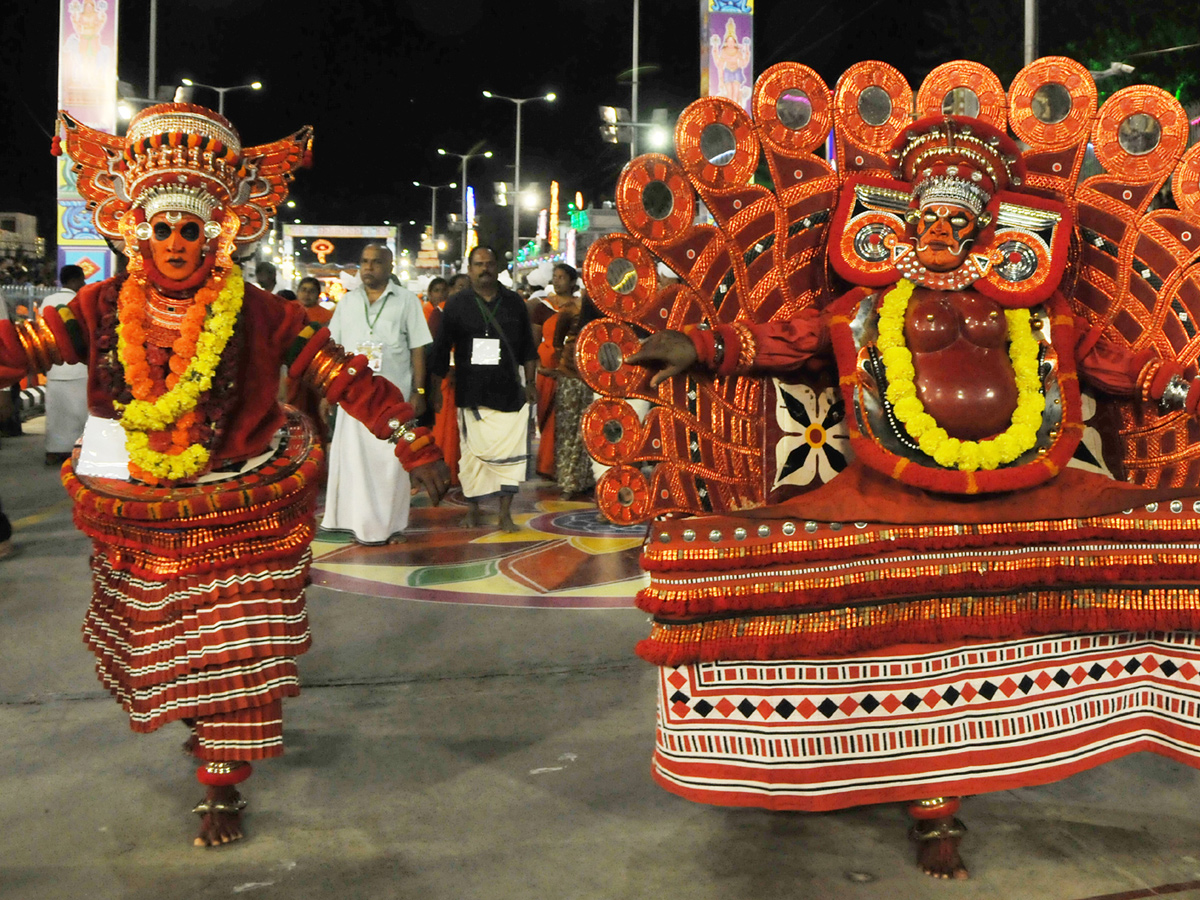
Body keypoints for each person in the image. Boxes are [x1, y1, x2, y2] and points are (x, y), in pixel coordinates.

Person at [599, 70, 1200, 882]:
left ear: (991, 229)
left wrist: (1177, 385)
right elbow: (785, 339)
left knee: (1174, 533)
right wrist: (700, 348)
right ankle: (928, 803)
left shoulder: (1037, 309)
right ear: (897, 224)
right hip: (893, 490)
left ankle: (1132, 715)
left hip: (1028, 484)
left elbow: (1110, 364)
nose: (940, 228)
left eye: (957, 217)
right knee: (721, 558)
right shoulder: (862, 308)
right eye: (926, 216)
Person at [2, 102, 448, 847]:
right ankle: (204, 730)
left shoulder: (263, 311)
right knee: (170, 654)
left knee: (234, 658)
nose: (176, 243)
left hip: (242, 515)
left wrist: (413, 440)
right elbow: (26, 348)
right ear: (138, 229)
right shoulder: (102, 305)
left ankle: (223, 785)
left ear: (218, 233)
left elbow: (340, 375)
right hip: (144, 517)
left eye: (191, 229)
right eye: (163, 227)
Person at [320, 244, 430, 544]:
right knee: (355, 463)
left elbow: (418, 347)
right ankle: (359, 525)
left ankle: (391, 527)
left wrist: (419, 391)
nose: (369, 268)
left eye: (376, 262)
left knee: (391, 467)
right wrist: (327, 393)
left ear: (390, 266)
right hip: (353, 397)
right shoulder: (346, 303)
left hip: (393, 399)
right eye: (365, 262)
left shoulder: (407, 301)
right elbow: (333, 351)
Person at [429, 246, 536, 531]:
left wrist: (532, 382)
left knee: (509, 458)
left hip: (509, 391)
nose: (484, 269)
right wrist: (433, 388)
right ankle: (473, 509)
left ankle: (504, 513)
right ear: (469, 268)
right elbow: (440, 349)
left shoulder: (514, 302)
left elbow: (527, 347)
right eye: (478, 264)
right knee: (472, 456)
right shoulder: (456, 304)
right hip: (471, 391)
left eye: (489, 263)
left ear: (497, 266)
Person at [528, 263, 579, 480]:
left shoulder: (579, 307)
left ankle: (560, 466)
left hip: (569, 368)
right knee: (545, 416)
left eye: (562, 277)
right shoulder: (542, 306)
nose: (557, 281)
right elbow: (534, 337)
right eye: (555, 276)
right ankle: (545, 463)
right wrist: (536, 364)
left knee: (565, 417)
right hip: (545, 367)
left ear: (572, 281)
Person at [40, 265, 89, 465]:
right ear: (76, 280)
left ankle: (54, 451)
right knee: (80, 412)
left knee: (55, 412)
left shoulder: (47, 301)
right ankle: (78, 451)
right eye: (82, 280)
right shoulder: (79, 301)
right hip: (78, 364)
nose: (84, 284)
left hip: (54, 365)